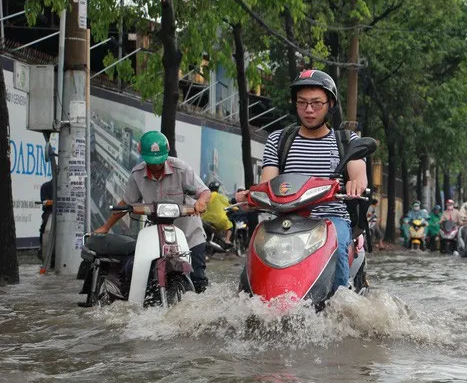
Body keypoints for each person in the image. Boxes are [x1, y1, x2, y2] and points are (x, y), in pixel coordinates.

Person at [236, 69, 367, 293]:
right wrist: (252, 196)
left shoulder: (346, 140)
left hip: (331, 220)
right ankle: (248, 301)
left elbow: (359, 175)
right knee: (256, 248)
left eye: (316, 103)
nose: (308, 110)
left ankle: (341, 304)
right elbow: (267, 181)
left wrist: (356, 184)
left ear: (330, 104)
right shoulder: (279, 140)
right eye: (302, 103)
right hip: (285, 220)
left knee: (338, 246)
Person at [94, 130, 211, 293]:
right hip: (158, 237)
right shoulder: (137, 175)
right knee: (145, 275)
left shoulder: (181, 169)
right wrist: (106, 227)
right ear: (142, 155)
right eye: (151, 162)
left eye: (159, 162)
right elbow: (126, 202)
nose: (156, 166)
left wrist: (201, 202)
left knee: (198, 279)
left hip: (189, 235)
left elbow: (204, 191)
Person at [202, 180, 233, 247]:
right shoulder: (220, 196)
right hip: (218, 220)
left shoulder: (205, 196)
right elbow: (229, 204)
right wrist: (235, 208)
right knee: (230, 226)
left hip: (204, 220)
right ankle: (227, 240)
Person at [38, 178, 54, 261]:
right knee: (45, 222)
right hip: (50, 211)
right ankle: (42, 248)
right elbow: (45, 201)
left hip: (66, 212)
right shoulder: (46, 186)